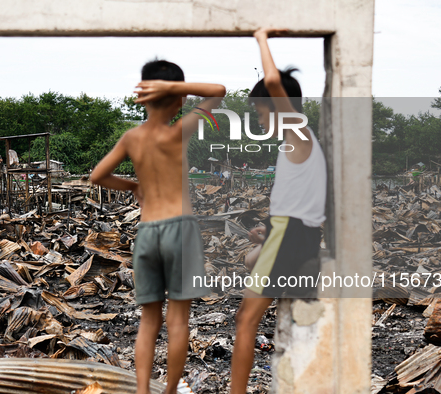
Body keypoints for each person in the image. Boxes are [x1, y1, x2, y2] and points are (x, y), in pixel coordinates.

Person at [90, 59, 226, 394]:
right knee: (179, 321)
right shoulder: (179, 131)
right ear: (177, 99)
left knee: (148, 321)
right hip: (180, 228)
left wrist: (132, 186)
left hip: (148, 232)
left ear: (145, 96)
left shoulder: (131, 138)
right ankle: (168, 391)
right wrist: (176, 88)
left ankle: (141, 391)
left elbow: (98, 175)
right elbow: (218, 92)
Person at [229, 28, 327, 394]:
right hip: (292, 234)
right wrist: (267, 233)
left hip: (290, 235)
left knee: (245, 320)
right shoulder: (297, 141)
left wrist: (261, 37)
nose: (256, 116)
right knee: (249, 259)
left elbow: (272, 81)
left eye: (258, 108)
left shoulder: (297, 129)